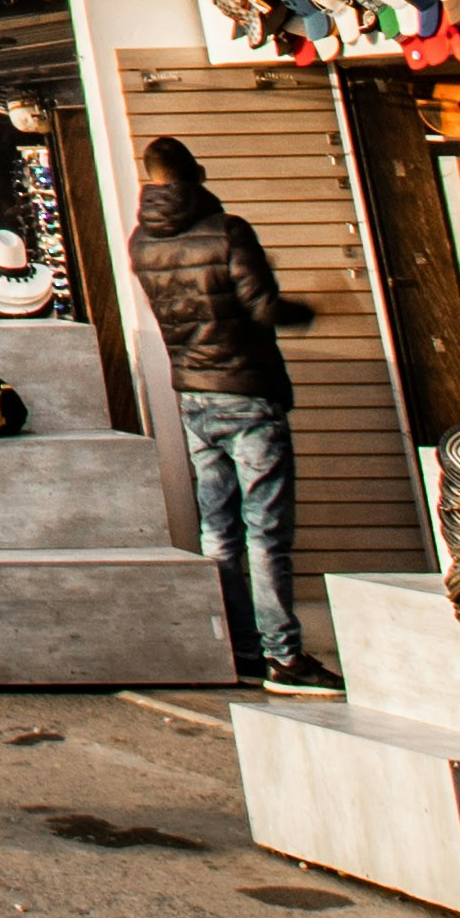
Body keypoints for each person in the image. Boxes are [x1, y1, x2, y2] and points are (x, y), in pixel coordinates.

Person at [130, 138, 330, 695]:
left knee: (217, 529)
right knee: (266, 531)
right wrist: (308, 308)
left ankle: (241, 647)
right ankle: (285, 658)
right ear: (194, 174)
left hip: (192, 395)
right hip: (246, 390)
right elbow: (262, 307)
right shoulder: (227, 231)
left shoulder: (142, 241)